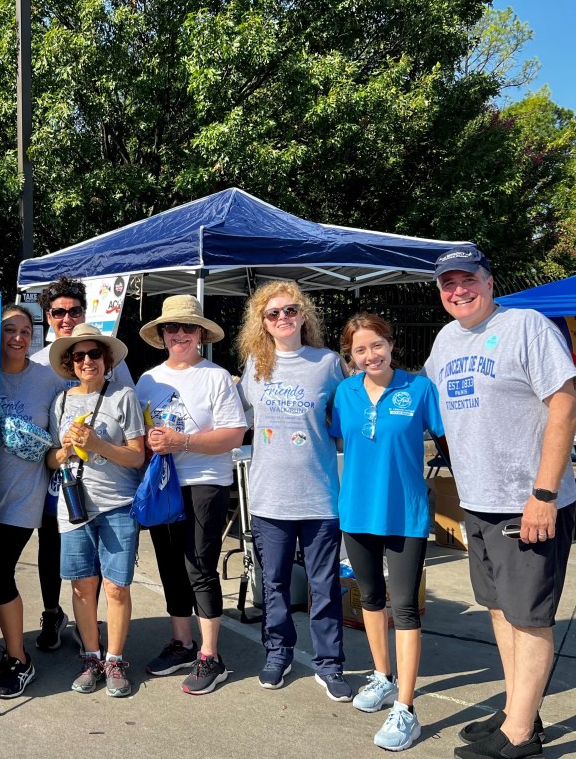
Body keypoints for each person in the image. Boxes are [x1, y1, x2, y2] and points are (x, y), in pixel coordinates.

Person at [423, 248, 576, 759]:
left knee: (529, 616)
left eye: (468, 279)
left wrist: (544, 494)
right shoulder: (445, 341)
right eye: (448, 283)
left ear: (489, 282)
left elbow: (564, 404)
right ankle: (519, 709)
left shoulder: (526, 326)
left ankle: (520, 738)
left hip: (527, 502)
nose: (458, 290)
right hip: (479, 501)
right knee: (499, 609)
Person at [330, 313, 443, 751]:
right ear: (351, 356)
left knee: (406, 610)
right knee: (371, 600)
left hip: (406, 515)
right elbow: (338, 437)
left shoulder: (418, 389)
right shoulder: (345, 393)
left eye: (376, 345)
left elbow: (450, 437)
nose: (370, 355)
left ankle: (406, 708)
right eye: (360, 349)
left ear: (391, 345)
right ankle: (382, 675)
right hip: (356, 511)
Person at [236, 280, 352, 702]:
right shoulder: (255, 365)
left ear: (303, 315)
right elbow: (236, 416)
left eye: (290, 311)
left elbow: (346, 422)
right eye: (273, 314)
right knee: (275, 585)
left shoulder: (327, 363)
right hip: (270, 497)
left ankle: (329, 663)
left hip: (320, 496)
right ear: (262, 323)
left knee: (324, 585)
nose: (282, 318)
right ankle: (278, 653)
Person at [135, 295, 247, 695]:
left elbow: (234, 434)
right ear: (162, 334)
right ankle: (182, 643)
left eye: (188, 328)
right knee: (169, 565)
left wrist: (181, 440)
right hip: (161, 484)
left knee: (199, 566)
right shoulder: (147, 380)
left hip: (204, 482)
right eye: (172, 328)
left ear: (200, 333)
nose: (179, 334)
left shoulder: (216, 376)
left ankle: (211, 656)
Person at [29, 276, 135, 653]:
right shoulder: (38, 361)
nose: (67, 318)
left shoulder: (109, 364)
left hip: (103, 480)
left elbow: (125, 415)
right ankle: (52, 611)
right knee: (51, 544)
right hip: (53, 468)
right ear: (48, 316)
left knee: (99, 567)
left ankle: (91, 630)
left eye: (74, 310)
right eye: (59, 312)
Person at [46, 324, 145, 697]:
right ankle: (91, 656)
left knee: (116, 588)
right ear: (71, 364)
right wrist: (66, 450)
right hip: (73, 507)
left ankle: (115, 660)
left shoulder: (123, 396)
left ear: (107, 360)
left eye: (94, 354)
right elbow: (52, 460)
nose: (88, 361)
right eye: (79, 356)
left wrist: (98, 443)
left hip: (117, 505)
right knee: (82, 586)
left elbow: (137, 457)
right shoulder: (60, 402)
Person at [0, 304, 63, 698]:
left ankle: (19, 660)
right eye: (9, 329)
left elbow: (58, 438)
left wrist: (63, 452)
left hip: (23, 495)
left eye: (25, 330)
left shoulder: (48, 380)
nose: (18, 337)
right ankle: (4, 649)